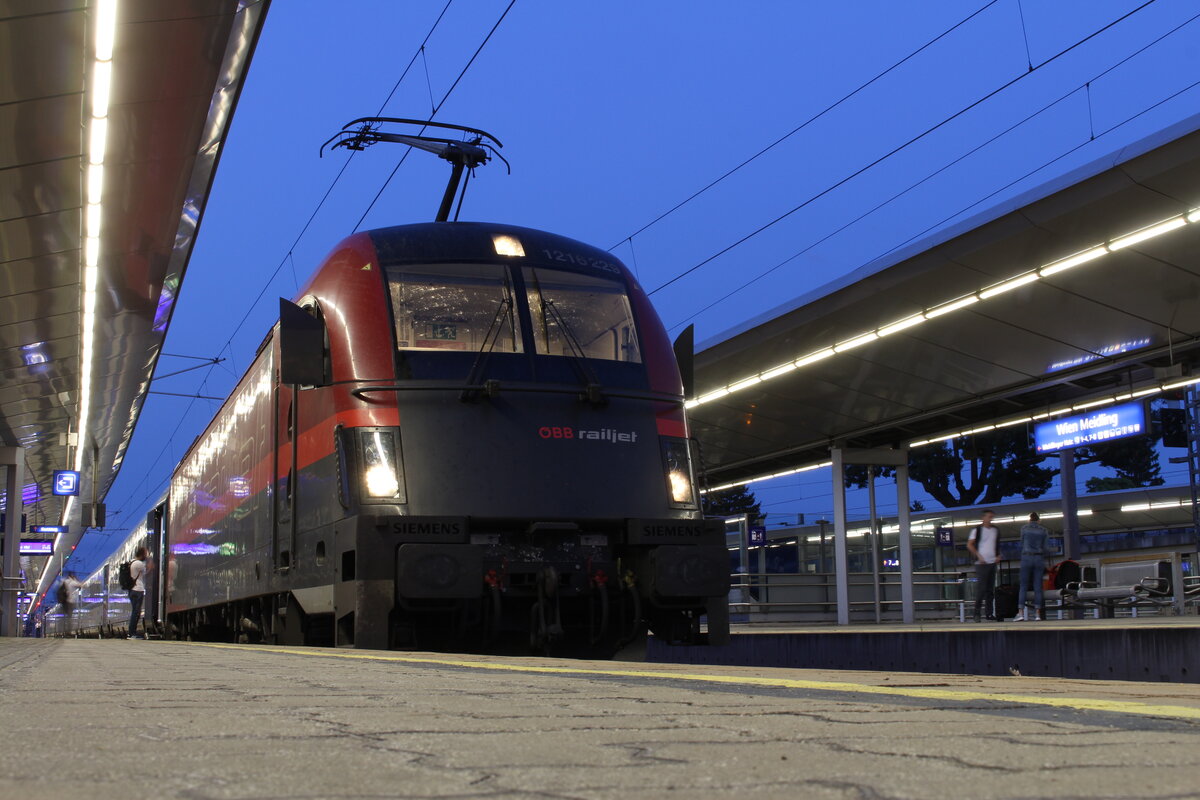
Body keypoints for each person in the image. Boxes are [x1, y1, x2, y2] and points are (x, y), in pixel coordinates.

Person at [1014, 512, 1049, 621]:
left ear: (1029, 519)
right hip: (1038, 558)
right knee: (1038, 587)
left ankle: (1020, 613)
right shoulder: (1043, 530)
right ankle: (1038, 614)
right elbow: (1045, 547)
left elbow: (1021, 543)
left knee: (1023, 586)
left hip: (1026, 557)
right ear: (1039, 520)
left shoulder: (1024, 528)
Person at [967, 509, 1001, 622]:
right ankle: (976, 613)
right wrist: (978, 555)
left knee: (990, 590)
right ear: (983, 518)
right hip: (981, 563)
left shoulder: (995, 530)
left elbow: (996, 544)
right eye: (988, 517)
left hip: (992, 562)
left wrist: (998, 555)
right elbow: (970, 544)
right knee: (981, 589)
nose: (990, 519)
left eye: (992, 517)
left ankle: (989, 613)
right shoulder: (977, 530)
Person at [127, 546, 150, 639]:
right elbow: (147, 573)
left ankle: (131, 632)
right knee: (136, 612)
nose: (146, 556)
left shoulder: (131, 562)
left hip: (132, 590)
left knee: (135, 611)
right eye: (146, 554)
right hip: (138, 590)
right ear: (142, 554)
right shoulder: (139, 564)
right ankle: (132, 633)